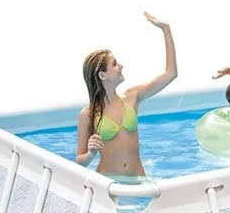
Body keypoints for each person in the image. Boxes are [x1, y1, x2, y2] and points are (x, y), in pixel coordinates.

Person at [76, 11, 178, 176]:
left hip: (138, 180)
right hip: (108, 183)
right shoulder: (88, 114)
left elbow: (171, 73)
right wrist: (90, 153)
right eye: (114, 64)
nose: (121, 66)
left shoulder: (133, 97)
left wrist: (166, 29)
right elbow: (79, 162)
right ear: (102, 75)